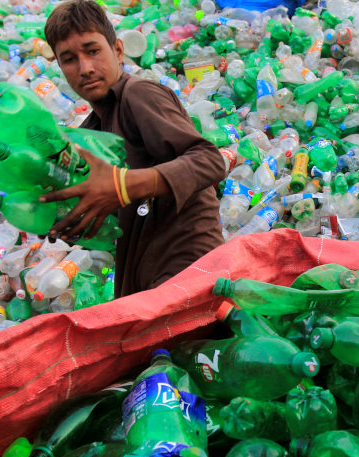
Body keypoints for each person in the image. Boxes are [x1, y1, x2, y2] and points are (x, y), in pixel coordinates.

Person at [41, 0, 229, 298]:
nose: (85, 68)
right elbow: (107, 213)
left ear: (118, 50)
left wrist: (123, 186)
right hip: (141, 275)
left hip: (187, 268)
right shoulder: (91, 133)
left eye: (93, 51)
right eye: (69, 59)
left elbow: (209, 160)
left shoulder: (138, 94)